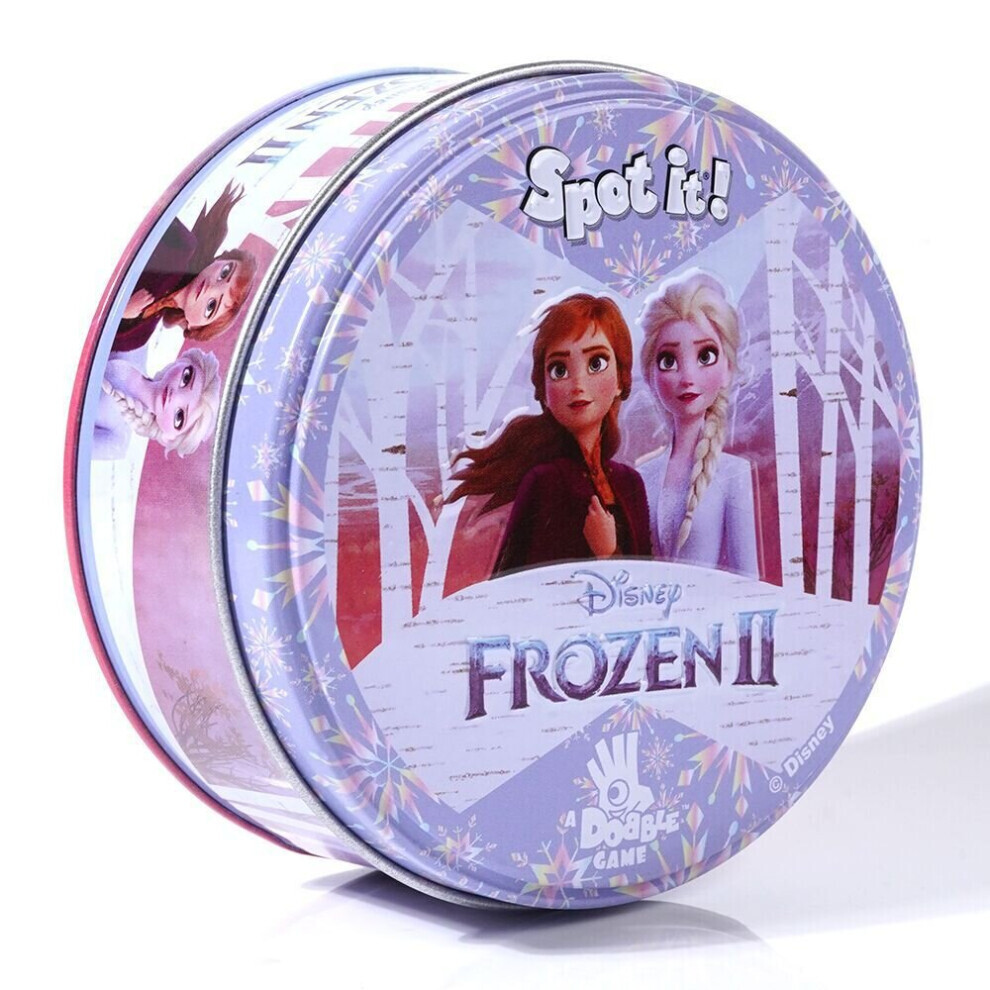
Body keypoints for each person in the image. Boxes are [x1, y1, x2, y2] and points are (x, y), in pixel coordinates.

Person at [448, 292, 651, 576]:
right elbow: (522, 584)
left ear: (620, 379)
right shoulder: (546, 482)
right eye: (559, 369)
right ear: (543, 390)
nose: (578, 384)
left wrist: (609, 554)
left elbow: (648, 581)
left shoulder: (630, 482)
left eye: (596, 363)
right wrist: (606, 555)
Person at [637, 271, 759, 577]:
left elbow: (748, 580)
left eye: (705, 355)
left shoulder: (733, 474)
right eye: (668, 361)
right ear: (651, 374)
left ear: (728, 369)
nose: (687, 377)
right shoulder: (642, 475)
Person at [112, 181, 257, 352]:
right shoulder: (180, 245)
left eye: (211, 306)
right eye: (224, 273)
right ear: (220, 260)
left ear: (193, 327)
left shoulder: (139, 338)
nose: (211, 288)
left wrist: (118, 312)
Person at [93, 348, 222, 460]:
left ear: (170, 437)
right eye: (186, 378)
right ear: (183, 362)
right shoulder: (138, 345)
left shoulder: (116, 443)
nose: (174, 396)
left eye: (180, 416)